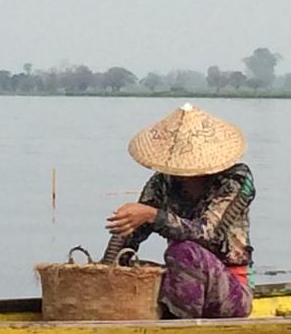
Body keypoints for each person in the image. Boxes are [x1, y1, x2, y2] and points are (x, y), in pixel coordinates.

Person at [104, 103, 256, 319]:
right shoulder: (162, 182)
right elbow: (131, 235)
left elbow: (208, 233)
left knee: (183, 251)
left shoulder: (235, 181)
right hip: (188, 285)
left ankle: (178, 329)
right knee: (138, 267)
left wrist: (152, 215)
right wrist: (108, 265)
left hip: (230, 292)